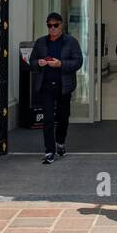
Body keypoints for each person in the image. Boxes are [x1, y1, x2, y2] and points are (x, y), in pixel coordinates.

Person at [29, 13, 83, 165]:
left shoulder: (71, 42)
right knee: (48, 119)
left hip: (64, 85)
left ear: (61, 25)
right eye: (49, 25)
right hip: (46, 85)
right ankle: (49, 151)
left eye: (55, 25)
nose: (52, 28)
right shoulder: (41, 42)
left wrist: (61, 64)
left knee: (63, 117)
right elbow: (32, 61)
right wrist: (38, 63)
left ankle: (60, 141)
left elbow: (78, 62)